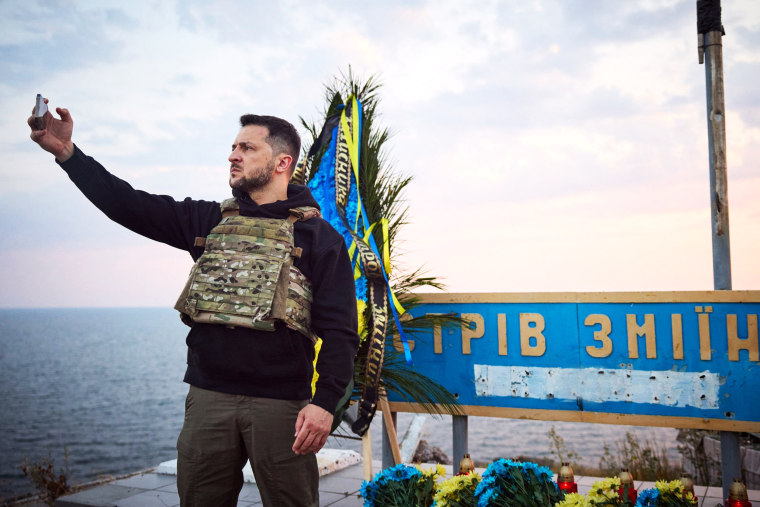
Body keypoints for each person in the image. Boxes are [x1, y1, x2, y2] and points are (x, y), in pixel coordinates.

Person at [28, 99, 360, 506]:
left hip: (281, 406)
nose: (232, 155)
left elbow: (342, 332)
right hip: (208, 399)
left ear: (281, 163)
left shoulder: (320, 239)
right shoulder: (210, 220)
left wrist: (325, 404)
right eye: (234, 147)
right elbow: (129, 205)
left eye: (247, 148)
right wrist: (68, 155)